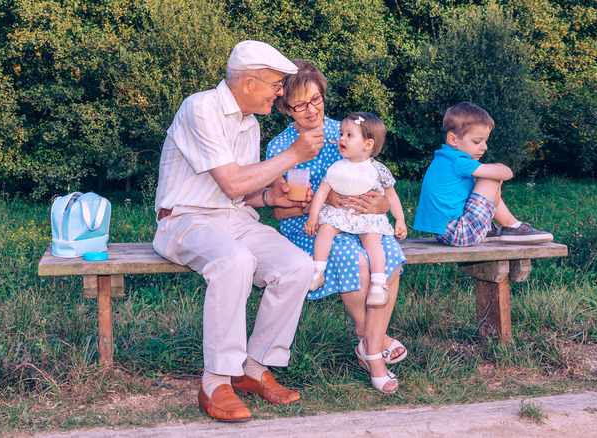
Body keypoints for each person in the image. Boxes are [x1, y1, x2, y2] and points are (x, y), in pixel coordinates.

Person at [152, 41, 326, 423]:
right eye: (276, 84)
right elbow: (230, 183)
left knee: (297, 265)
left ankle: (253, 366)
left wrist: (271, 195)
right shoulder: (200, 107)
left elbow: (243, 193)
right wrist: (294, 155)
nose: (280, 92)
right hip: (184, 219)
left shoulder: (250, 123)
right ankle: (215, 380)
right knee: (234, 260)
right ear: (249, 83)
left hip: (234, 219)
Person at [266, 60, 407, 394]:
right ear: (286, 108)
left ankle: (367, 345)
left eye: (316, 99)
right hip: (311, 229)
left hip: (362, 223)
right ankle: (374, 351)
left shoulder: (347, 132)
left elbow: (382, 189)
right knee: (354, 260)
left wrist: (384, 206)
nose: (311, 110)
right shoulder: (278, 147)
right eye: (300, 104)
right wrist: (318, 202)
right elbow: (281, 214)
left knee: (389, 255)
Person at [304, 112, 407, 310]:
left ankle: (378, 284)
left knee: (372, 242)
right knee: (325, 230)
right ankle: (318, 271)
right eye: (341, 133)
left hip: (366, 215)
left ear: (368, 144)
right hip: (340, 213)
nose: (341, 138)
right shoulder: (337, 167)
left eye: (349, 135)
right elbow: (322, 192)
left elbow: (391, 195)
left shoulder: (379, 170)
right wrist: (314, 215)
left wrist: (400, 219)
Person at [413, 102, 553, 246]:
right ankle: (511, 225)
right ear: (453, 139)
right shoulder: (458, 160)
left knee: (483, 178)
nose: (484, 147)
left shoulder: (444, 158)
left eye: (485, 141)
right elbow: (507, 174)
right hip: (460, 233)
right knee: (491, 178)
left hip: (446, 232)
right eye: (477, 141)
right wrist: (500, 167)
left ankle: (493, 227)